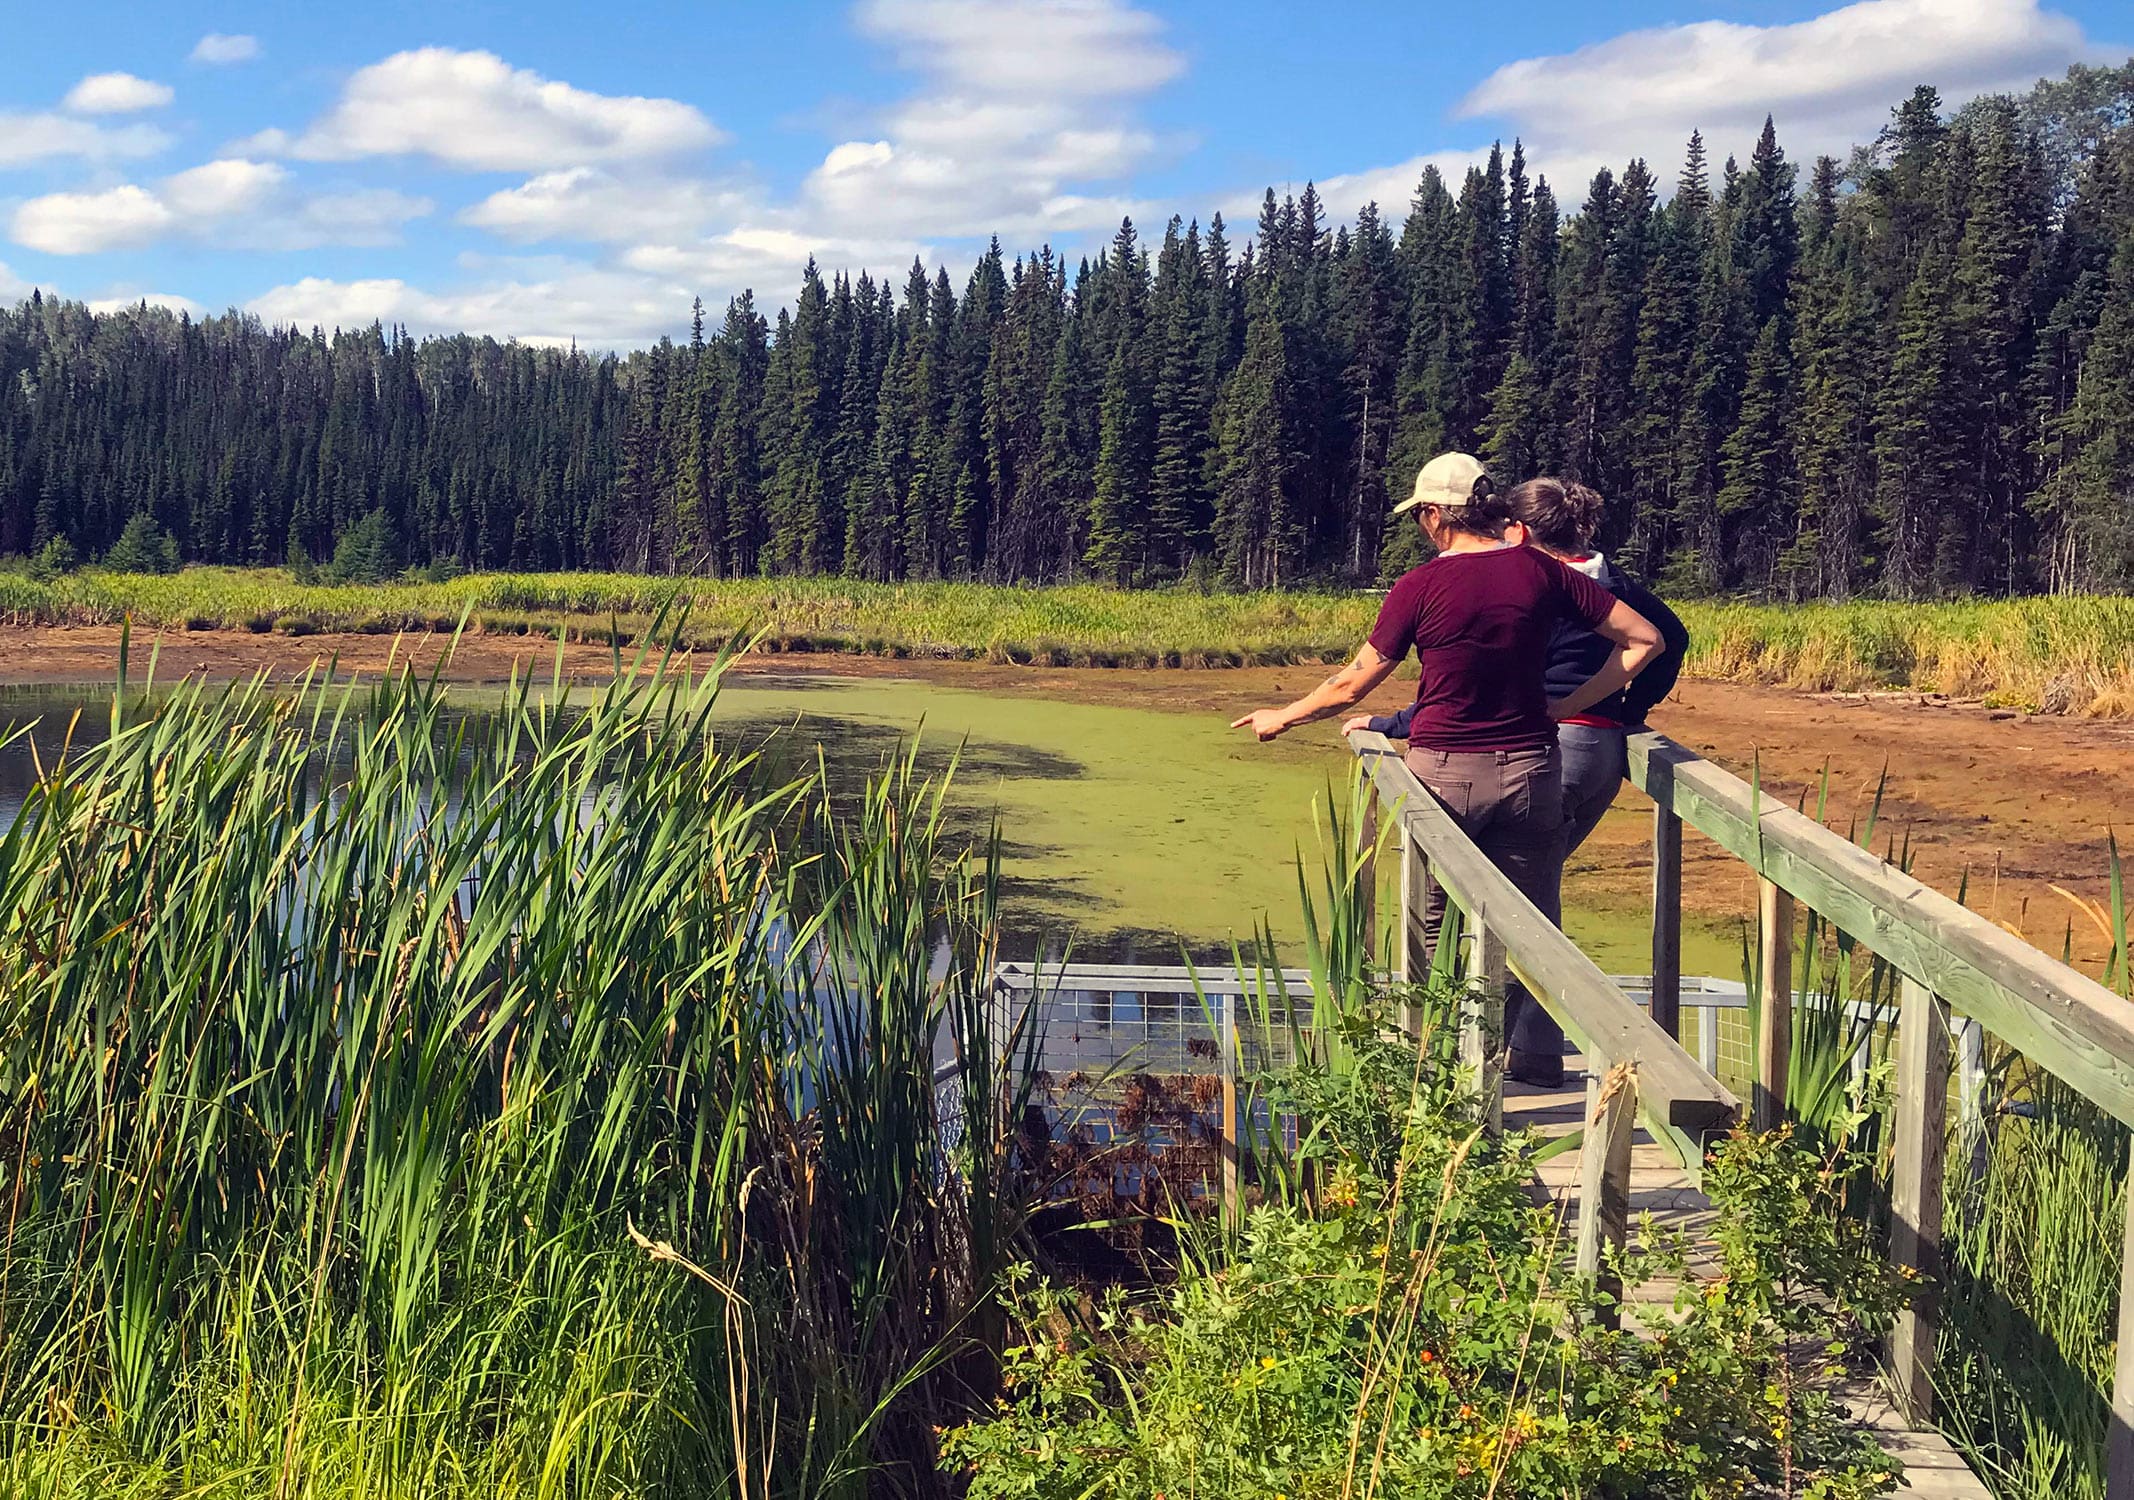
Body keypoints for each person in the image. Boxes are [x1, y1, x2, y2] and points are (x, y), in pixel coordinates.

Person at [1231, 453, 1665, 1086]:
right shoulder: (1542, 572)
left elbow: (1353, 685)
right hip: (1531, 773)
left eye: (1420, 517)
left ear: (1435, 516)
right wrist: (1567, 706)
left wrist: (1283, 715)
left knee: (1431, 933)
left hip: (1444, 776)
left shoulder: (1419, 587)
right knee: (1525, 931)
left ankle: (1433, 1079)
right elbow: (1645, 640)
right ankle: (1510, 1068)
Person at [1348, 477, 1691, 1083]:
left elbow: (1487, 679)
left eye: (1505, 525)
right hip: (1600, 751)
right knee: (1535, 902)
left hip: (1540, 749)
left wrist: (1395, 721)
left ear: (1522, 530)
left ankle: (1451, 1061)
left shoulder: (1536, 583)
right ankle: (1535, 1056)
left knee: (1478, 909)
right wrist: (1625, 710)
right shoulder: (1612, 582)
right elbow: (1668, 638)